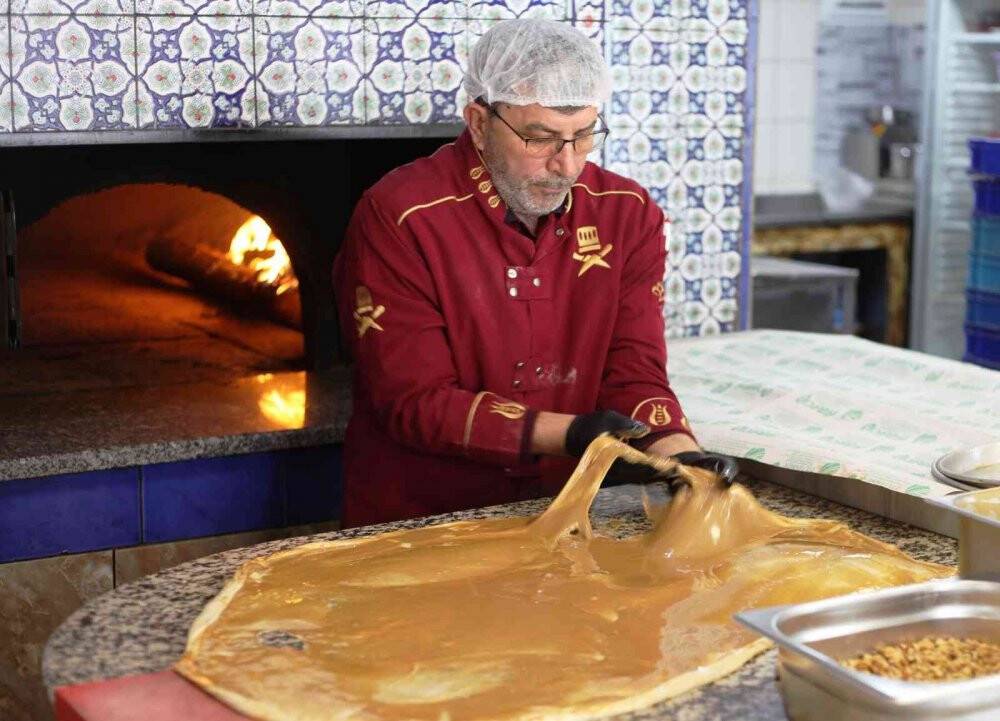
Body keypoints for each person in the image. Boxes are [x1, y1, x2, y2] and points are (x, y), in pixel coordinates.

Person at [333, 19, 737, 528]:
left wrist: (680, 454)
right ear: (479, 123)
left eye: (584, 135)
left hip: (562, 513)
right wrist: (570, 435)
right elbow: (412, 399)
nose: (566, 165)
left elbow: (633, 369)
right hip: (419, 517)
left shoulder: (626, 212)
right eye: (540, 138)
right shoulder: (401, 214)